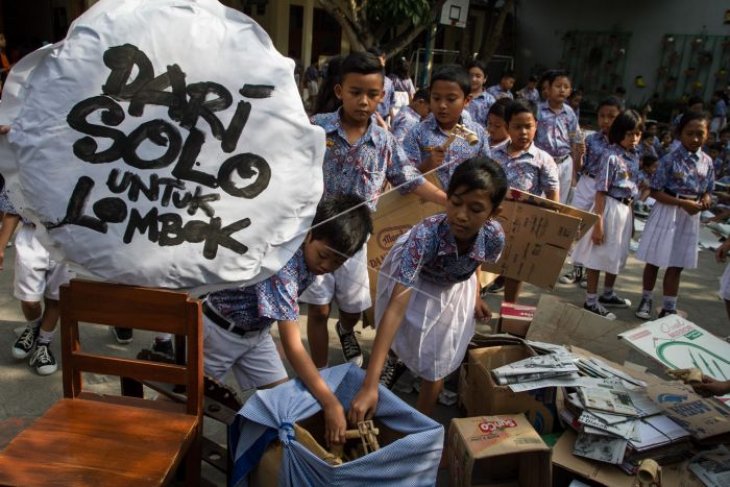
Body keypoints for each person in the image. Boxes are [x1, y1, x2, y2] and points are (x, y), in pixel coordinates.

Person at [301, 52, 447, 369]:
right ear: (340, 92)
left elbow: (408, 179)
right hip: (316, 235)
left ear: (382, 96)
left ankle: (346, 328)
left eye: (372, 94)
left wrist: (447, 200)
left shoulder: (383, 141)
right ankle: (321, 371)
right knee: (318, 308)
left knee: (353, 307)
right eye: (356, 93)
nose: (364, 101)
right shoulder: (315, 129)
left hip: (355, 242)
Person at [204, 195, 371, 447]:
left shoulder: (307, 255)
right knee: (184, 403)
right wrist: (330, 402)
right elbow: (293, 345)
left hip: (256, 335)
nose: (326, 266)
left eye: (338, 262)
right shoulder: (283, 266)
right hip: (216, 333)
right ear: (309, 234)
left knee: (284, 403)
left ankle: (264, 458)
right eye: (323, 255)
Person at [348, 157, 507, 420]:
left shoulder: (494, 236)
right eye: (455, 203)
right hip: (417, 277)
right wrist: (369, 386)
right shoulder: (423, 238)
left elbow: (476, 260)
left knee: (438, 361)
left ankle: (422, 424)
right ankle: (392, 359)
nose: (461, 215)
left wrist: (476, 293)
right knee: (404, 330)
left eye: (476, 209)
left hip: (455, 284)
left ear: (493, 214)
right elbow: (396, 307)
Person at [635, 111, 714, 320]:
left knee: (677, 262)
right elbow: (655, 190)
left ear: (707, 135)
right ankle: (646, 298)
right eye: (690, 133)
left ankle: (669, 306)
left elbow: (708, 188)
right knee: (654, 259)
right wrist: (681, 203)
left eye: (700, 133)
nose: (695, 138)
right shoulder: (670, 159)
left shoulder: (707, 161)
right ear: (680, 134)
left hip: (690, 215)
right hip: (668, 209)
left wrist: (706, 198)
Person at [571, 110, 643, 319]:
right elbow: (600, 191)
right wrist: (598, 223)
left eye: (638, 134)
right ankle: (590, 300)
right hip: (609, 207)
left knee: (616, 254)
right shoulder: (610, 157)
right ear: (619, 133)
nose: (634, 139)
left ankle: (608, 293)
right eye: (630, 134)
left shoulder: (634, 156)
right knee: (598, 255)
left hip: (625, 209)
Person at [491, 100, 559, 303]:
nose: (523, 132)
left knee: (515, 267)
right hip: (494, 218)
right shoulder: (493, 153)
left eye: (528, 126)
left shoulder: (542, 159)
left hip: (525, 224)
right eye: (517, 127)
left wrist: (553, 221)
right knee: (485, 263)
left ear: (536, 125)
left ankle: (508, 309)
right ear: (507, 127)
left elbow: (553, 192)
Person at [0, 188, 74, 375]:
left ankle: (43, 344)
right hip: (32, 237)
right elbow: (12, 209)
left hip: (67, 237)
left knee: (56, 297)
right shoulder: (27, 164)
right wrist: (0, 246)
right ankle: (33, 328)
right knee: (29, 300)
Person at [561, 96, 622, 286]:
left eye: (611, 116)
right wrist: (578, 155)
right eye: (602, 116)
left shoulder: (621, 142)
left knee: (599, 227)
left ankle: (591, 270)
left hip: (607, 189)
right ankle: (577, 267)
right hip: (588, 182)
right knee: (578, 223)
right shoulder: (591, 139)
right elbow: (580, 167)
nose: (606, 120)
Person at [403, 64, 491, 190]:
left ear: (467, 100)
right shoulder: (417, 133)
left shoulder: (478, 133)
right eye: (436, 98)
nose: (442, 105)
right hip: (428, 207)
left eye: (451, 99)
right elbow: (402, 180)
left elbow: (487, 173)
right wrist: (426, 166)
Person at [534, 70, 584, 205]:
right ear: (548, 89)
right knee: (541, 199)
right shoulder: (538, 111)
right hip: (543, 161)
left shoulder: (570, 113)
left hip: (565, 162)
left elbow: (575, 139)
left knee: (558, 202)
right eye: (558, 86)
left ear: (570, 91)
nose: (562, 90)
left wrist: (575, 170)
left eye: (566, 87)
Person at [368, 47, 395, 125]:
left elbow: (390, 104)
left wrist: (393, 120)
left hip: (383, 120)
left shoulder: (389, 83)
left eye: (384, 59)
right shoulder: (361, 81)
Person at [465, 59, 495, 128]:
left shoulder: (490, 100)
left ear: (485, 79)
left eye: (478, 76)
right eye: (470, 75)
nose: (473, 79)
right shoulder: (460, 96)